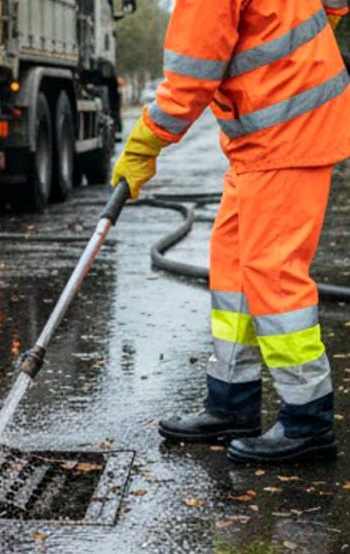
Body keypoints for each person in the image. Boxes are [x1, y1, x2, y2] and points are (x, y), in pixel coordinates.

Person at [112, 0, 349, 464]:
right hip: (264, 136)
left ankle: (308, 419)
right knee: (234, 265)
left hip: (286, 131)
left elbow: (190, 78)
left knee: (273, 272)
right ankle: (231, 401)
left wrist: (145, 144)